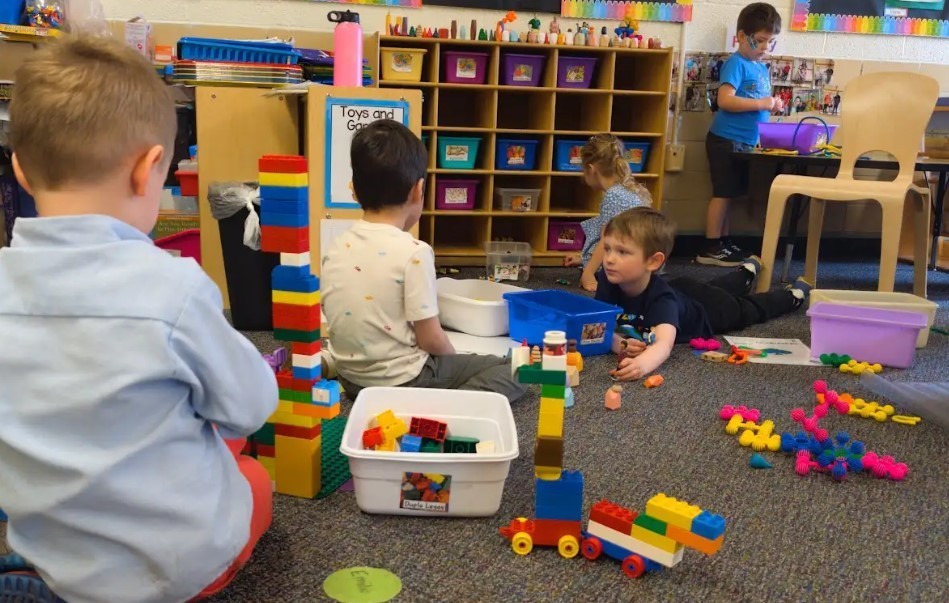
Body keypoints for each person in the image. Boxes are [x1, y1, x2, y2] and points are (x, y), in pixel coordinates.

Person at [0, 36, 277, 603]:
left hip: (52, 554)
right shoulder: (172, 288)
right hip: (169, 571)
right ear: (149, 169)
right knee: (254, 478)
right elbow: (250, 407)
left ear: (21, 172)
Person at [321, 120, 526, 403]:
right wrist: (453, 362)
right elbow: (430, 339)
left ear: (353, 189)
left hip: (352, 379)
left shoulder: (336, 246)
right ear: (418, 191)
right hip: (403, 382)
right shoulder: (414, 252)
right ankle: (445, 407)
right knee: (519, 370)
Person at [594, 208, 811, 381]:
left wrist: (641, 366)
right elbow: (597, 326)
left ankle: (792, 296)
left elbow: (663, 345)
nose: (610, 259)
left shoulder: (661, 300)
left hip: (709, 311)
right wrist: (619, 343)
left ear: (653, 261)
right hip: (684, 290)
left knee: (747, 308)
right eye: (607, 249)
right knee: (717, 286)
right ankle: (745, 272)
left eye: (622, 252)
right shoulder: (608, 278)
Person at [699, 2, 781, 267]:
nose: (766, 48)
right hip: (725, 139)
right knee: (722, 193)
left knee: (731, 194)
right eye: (760, 41)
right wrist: (762, 104)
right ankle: (711, 246)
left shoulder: (759, 67)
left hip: (743, 142)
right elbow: (725, 100)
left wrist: (772, 104)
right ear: (743, 37)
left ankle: (724, 241)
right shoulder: (736, 63)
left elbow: (757, 98)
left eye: (771, 42)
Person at [562, 133, 651, 291]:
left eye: (583, 170)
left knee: (607, 234)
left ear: (591, 169)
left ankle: (593, 267)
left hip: (626, 267)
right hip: (639, 261)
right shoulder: (625, 189)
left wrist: (588, 273)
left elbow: (607, 241)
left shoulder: (613, 195)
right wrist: (583, 259)